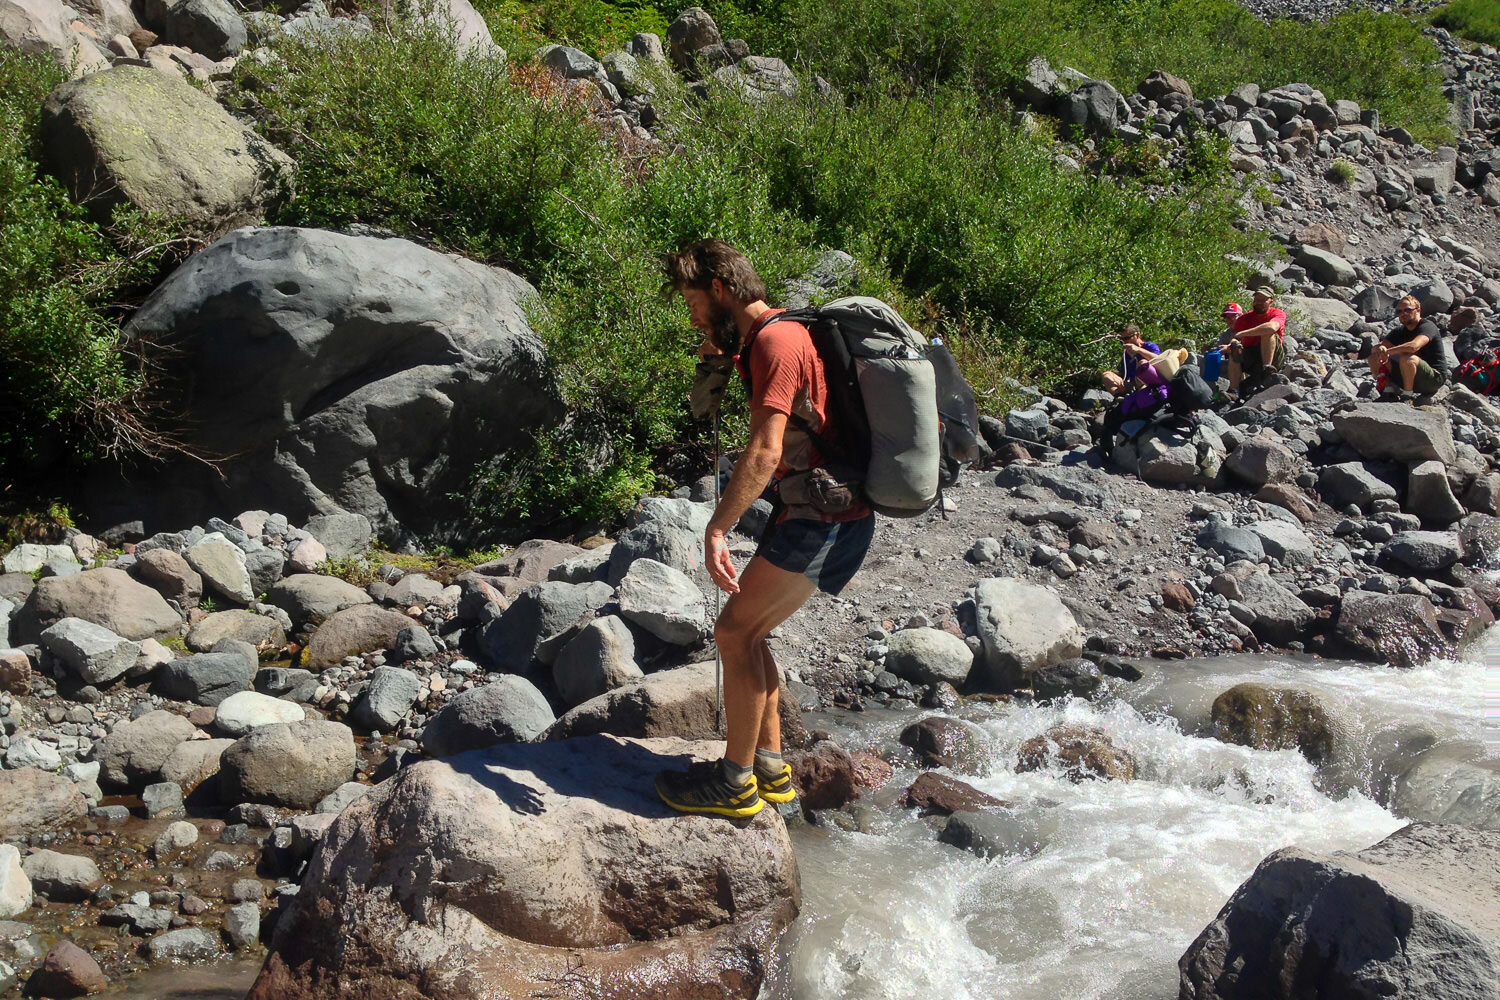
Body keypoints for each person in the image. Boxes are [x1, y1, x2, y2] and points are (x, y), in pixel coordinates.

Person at [656, 239, 876, 819]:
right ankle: (772, 771)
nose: (693, 314)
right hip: (826, 512)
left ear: (720, 290)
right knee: (748, 634)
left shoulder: (775, 343)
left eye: (693, 301)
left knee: (731, 633)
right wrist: (717, 361)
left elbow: (763, 450)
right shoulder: (775, 335)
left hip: (820, 519)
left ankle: (735, 783)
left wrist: (716, 529)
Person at [1369, 295, 1451, 395]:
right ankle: (1389, 391)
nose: (1403, 314)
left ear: (1418, 311)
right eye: (1399, 311)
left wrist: (1388, 351)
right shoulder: (1399, 331)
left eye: (1407, 310)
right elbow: (1378, 348)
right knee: (1373, 357)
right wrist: (1381, 349)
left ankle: (1407, 396)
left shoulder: (1427, 326)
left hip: (1433, 379)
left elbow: (1413, 346)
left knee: (1407, 358)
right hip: (1408, 376)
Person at [1223, 286, 1288, 394]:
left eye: (1263, 300)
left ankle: (1267, 371)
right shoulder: (1244, 319)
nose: (1259, 303)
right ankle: (1233, 390)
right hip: (1251, 355)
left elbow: (1272, 327)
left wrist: (1244, 333)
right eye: (1257, 300)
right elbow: (1235, 337)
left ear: (1271, 301)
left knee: (1268, 333)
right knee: (1234, 351)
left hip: (1273, 356)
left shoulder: (1277, 313)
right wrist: (1233, 344)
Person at [1101, 325, 1161, 396]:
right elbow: (1125, 373)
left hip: (1146, 382)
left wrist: (1139, 350)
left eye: (1127, 338)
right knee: (1107, 374)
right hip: (1131, 383)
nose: (1125, 341)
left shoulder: (1149, 346)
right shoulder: (1126, 354)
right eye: (1122, 339)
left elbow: (1159, 359)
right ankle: (1119, 397)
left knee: (1143, 363)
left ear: (1137, 335)